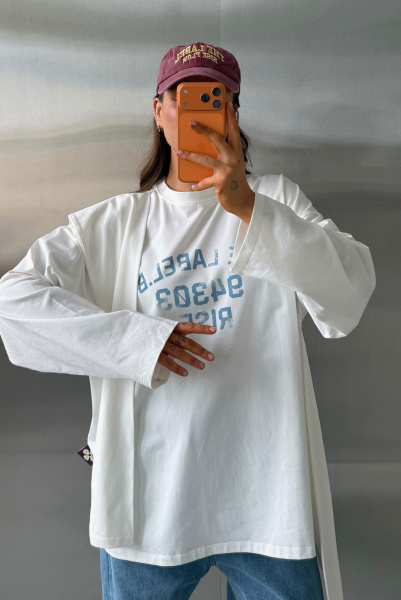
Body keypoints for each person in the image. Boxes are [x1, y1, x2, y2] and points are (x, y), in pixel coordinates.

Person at [0, 42, 376, 600]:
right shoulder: (113, 224)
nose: (199, 111)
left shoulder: (275, 201)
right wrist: (137, 341)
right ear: (159, 111)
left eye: (216, 98)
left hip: (267, 501)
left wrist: (248, 206)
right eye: (185, 97)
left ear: (233, 115)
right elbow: (13, 302)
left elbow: (350, 288)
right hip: (149, 504)